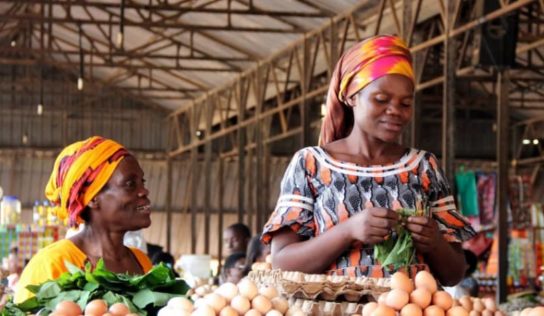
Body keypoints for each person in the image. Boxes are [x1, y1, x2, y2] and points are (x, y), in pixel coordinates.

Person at [261, 35, 475, 286]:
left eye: (405, 103)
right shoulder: (311, 164)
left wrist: (435, 242)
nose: (395, 110)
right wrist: (348, 231)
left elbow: (454, 274)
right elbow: (282, 262)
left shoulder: (424, 166)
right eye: (381, 99)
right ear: (351, 97)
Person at [15, 136, 153, 303]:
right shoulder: (52, 264)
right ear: (93, 198)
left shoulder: (141, 261)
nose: (144, 191)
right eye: (130, 184)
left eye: (142, 182)